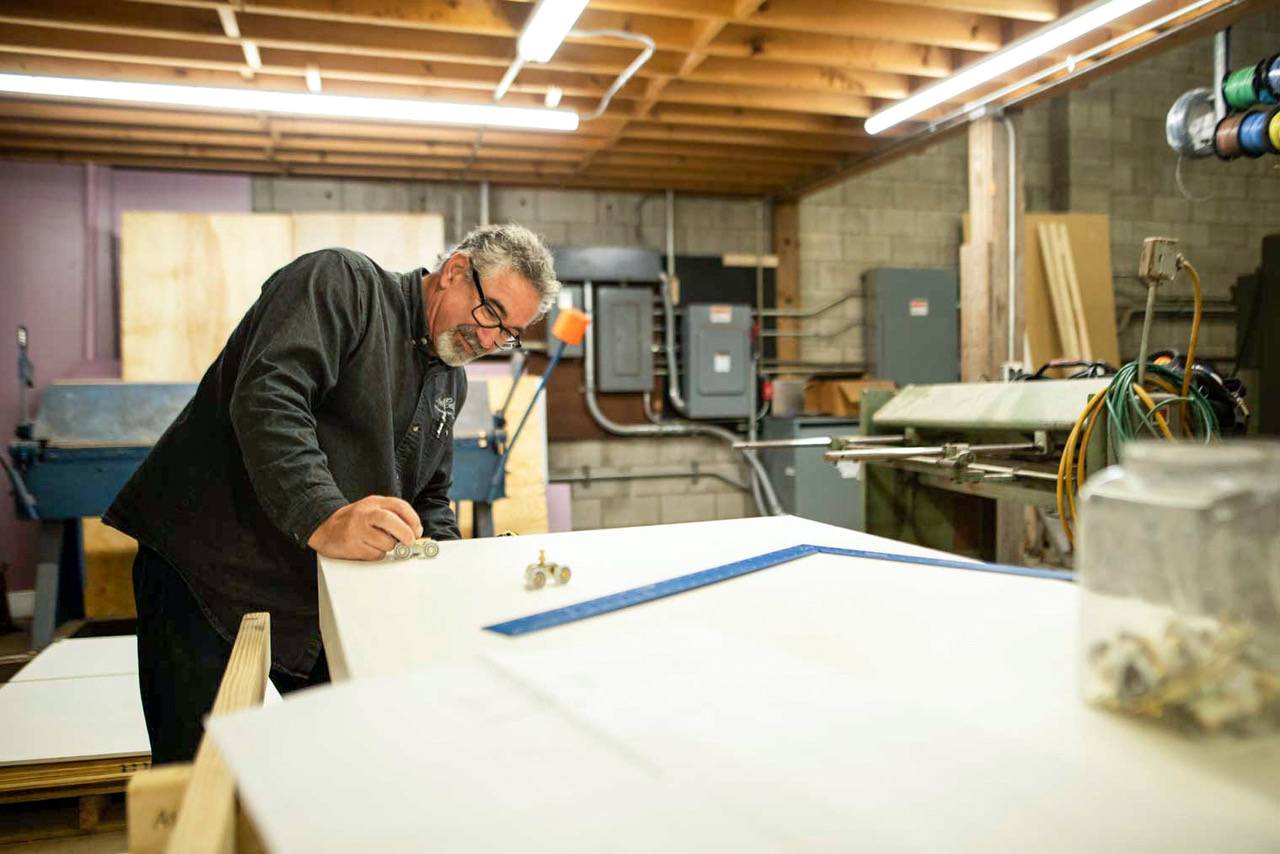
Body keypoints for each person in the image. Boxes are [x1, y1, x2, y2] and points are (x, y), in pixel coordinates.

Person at [104, 223, 560, 763]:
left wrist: (446, 569)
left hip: (306, 591)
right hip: (206, 568)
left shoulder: (448, 382)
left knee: (350, 754)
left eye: (507, 334)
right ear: (455, 272)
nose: (488, 341)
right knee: (197, 776)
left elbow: (430, 496)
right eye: (490, 315)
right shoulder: (342, 284)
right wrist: (325, 514)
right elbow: (269, 398)